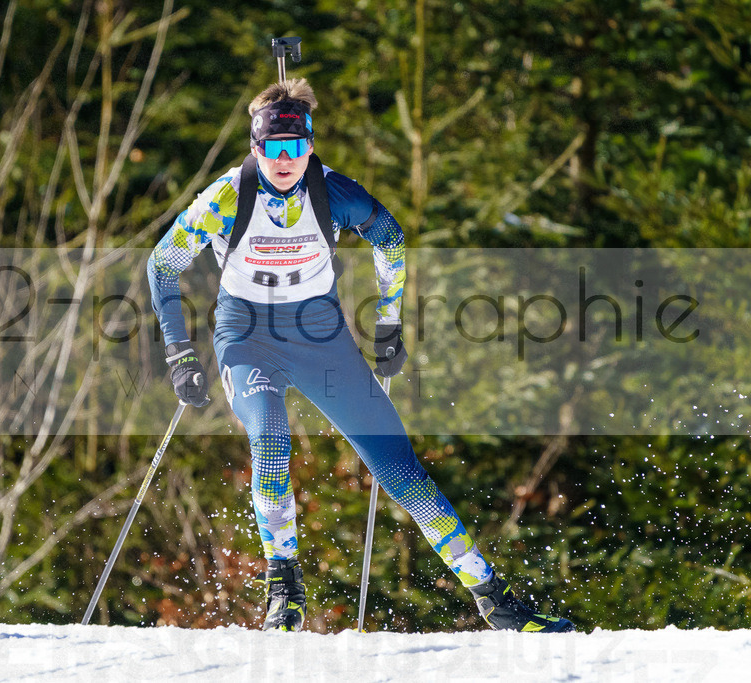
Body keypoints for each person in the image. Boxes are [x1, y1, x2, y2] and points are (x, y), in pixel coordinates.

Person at [147, 78, 574, 633]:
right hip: (246, 337)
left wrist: (390, 323)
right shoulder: (227, 197)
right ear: (255, 148)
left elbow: (391, 241)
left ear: (309, 146)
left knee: (402, 473)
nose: (283, 161)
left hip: (322, 340)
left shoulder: (333, 192)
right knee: (272, 441)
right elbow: (162, 265)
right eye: (271, 149)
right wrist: (180, 351)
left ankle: (493, 597)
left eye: (294, 148)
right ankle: (285, 589)